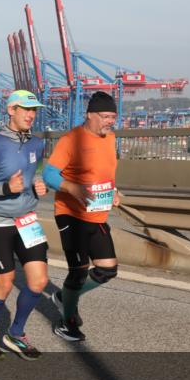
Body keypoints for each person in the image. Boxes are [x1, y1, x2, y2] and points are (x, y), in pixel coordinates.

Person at [0, 90, 50, 360]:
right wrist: (5, 187)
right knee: (4, 283)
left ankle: (15, 333)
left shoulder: (36, 144)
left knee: (39, 281)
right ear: (11, 110)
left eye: (34, 110)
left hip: (27, 220)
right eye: (26, 109)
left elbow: (36, 172)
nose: (31, 115)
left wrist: (38, 186)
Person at [44, 91, 122, 342]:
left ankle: (64, 297)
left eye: (113, 116)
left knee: (107, 270)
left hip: (97, 215)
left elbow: (105, 172)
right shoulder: (71, 140)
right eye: (105, 116)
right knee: (78, 272)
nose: (110, 121)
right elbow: (49, 175)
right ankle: (66, 323)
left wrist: (114, 191)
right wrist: (72, 188)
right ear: (90, 115)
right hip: (71, 214)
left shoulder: (110, 139)